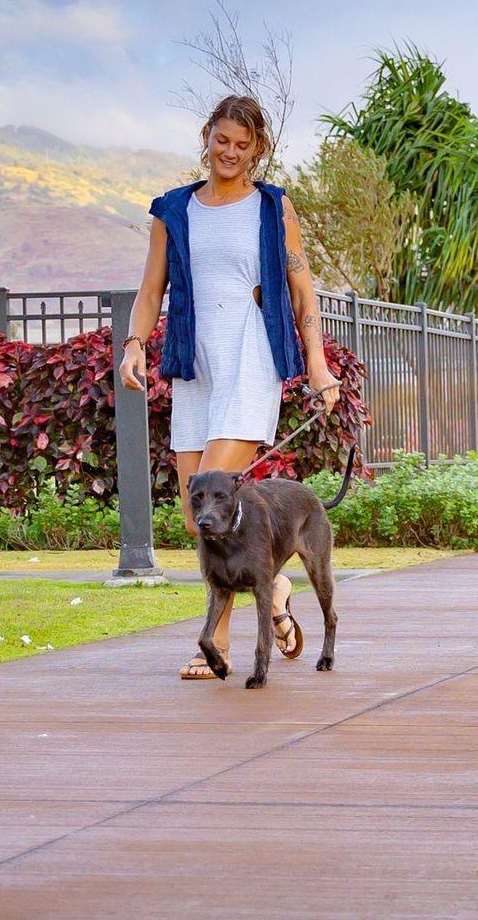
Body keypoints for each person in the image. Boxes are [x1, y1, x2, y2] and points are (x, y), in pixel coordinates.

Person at [118, 94, 341, 679]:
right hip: (196, 364)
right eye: (222, 141)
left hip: (250, 358)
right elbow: (149, 294)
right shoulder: (172, 210)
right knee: (198, 518)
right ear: (207, 138)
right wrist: (135, 346)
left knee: (219, 492)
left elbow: (302, 292)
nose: (231, 153)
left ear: (258, 149)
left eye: (243, 146)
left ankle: (212, 645)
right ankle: (275, 592)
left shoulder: (273, 207)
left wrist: (316, 364)